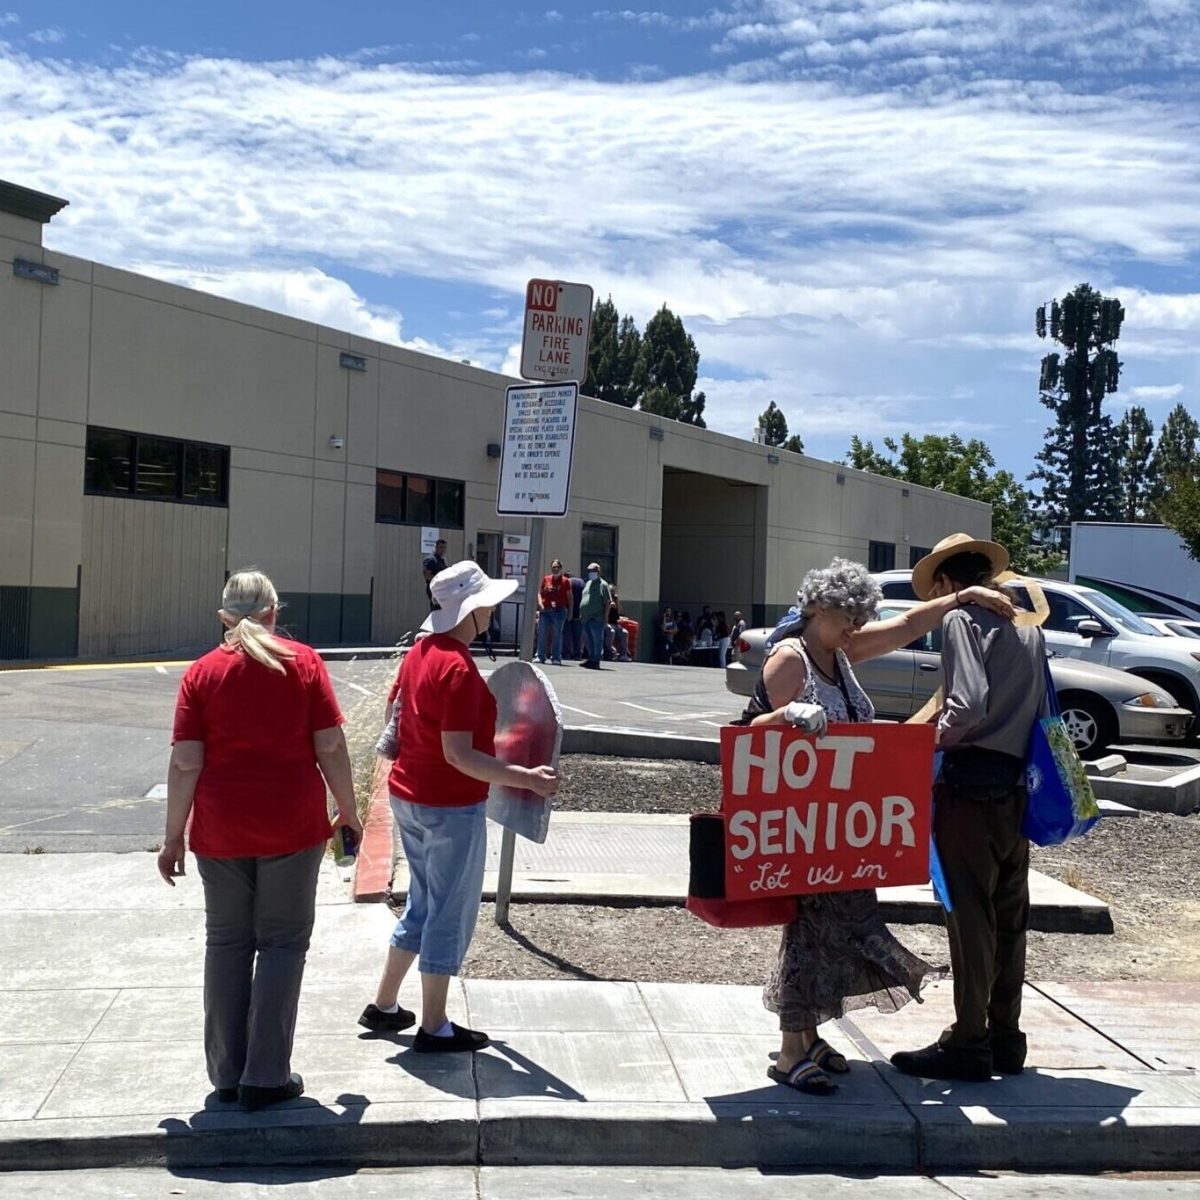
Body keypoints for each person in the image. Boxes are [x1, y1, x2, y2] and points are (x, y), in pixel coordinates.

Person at [740, 557, 1014, 1096]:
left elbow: (909, 626)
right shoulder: (790, 660)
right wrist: (788, 716)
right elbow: (751, 736)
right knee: (806, 934)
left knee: (840, 934)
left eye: (861, 618)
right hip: (804, 828)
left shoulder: (840, 652)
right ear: (817, 608)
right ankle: (791, 1049)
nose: (857, 628)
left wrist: (962, 600)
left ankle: (811, 1034)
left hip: (841, 827)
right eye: (849, 617)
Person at [158, 569, 361, 1111]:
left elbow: (184, 762)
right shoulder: (304, 664)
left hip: (220, 831)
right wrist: (347, 808)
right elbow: (332, 747)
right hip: (291, 827)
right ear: (275, 612)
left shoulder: (201, 675)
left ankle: (227, 1073)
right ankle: (266, 1074)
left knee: (226, 944)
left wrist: (173, 836)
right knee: (281, 944)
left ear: (224, 616)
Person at [360, 561, 559, 1051]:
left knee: (423, 904)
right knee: (450, 911)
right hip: (448, 806)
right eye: (486, 603)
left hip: (407, 794)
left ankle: (384, 1005)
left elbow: (395, 716)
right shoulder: (457, 667)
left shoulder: (420, 651)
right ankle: (434, 1025)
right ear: (469, 610)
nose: (492, 610)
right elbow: (459, 754)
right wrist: (526, 778)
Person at [891, 535, 1046, 1083]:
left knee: (970, 918)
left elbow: (968, 705)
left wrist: (928, 742)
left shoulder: (961, 620)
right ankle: (1006, 1036)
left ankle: (969, 1041)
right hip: (1015, 785)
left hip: (969, 785)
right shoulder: (1029, 625)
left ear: (947, 585)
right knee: (1010, 917)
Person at [535, 558, 571, 666]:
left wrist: (570, 613)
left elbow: (570, 598)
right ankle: (540, 656)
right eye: (553, 567)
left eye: (557, 567)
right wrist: (540, 604)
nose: (555, 569)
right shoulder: (546, 579)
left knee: (557, 635)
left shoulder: (565, 581)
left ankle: (556, 657)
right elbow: (540, 593)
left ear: (561, 568)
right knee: (542, 633)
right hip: (545, 611)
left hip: (559, 611)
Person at [578, 562, 612, 670]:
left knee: (597, 640)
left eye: (593, 571)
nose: (590, 573)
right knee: (588, 640)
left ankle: (596, 660)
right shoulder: (588, 583)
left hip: (596, 617)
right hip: (586, 617)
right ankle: (591, 659)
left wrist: (606, 617)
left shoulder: (603, 584)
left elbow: (607, 602)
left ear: (598, 572)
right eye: (589, 571)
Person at [604, 589, 631, 662]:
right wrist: (609, 605)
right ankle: (611, 652)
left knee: (625, 632)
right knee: (611, 631)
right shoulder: (606, 600)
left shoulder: (616, 602)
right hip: (608, 623)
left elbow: (620, 611)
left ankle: (623, 654)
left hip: (616, 624)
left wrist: (617, 601)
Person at [423, 539, 448, 610]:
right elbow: (427, 576)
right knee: (436, 610)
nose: (442, 550)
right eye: (440, 547)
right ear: (436, 547)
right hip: (434, 589)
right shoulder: (431, 559)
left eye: (444, 547)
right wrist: (439, 580)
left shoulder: (442, 560)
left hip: (442, 589)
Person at [566, 569, 585, 660]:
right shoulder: (581, 582)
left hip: (569, 610)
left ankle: (567, 653)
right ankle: (578, 654)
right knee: (578, 634)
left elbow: (569, 597)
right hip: (580, 611)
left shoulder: (567, 582)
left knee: (567, 633)